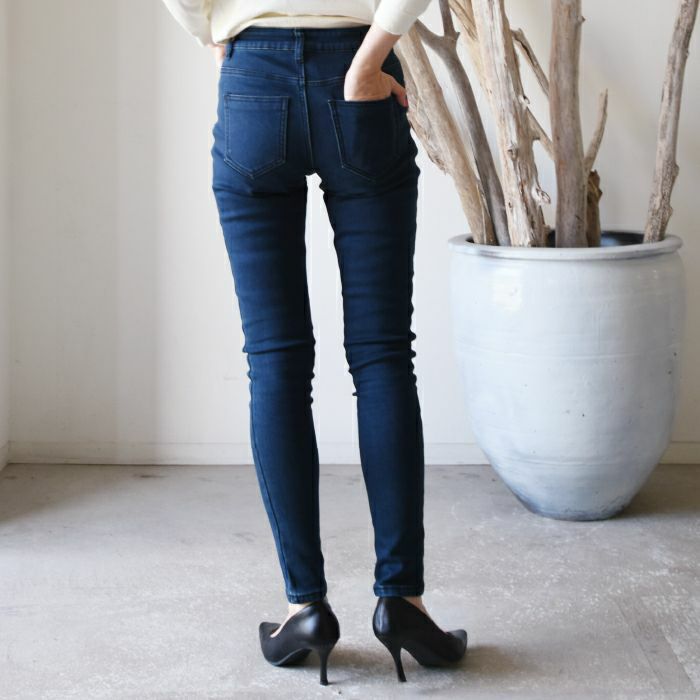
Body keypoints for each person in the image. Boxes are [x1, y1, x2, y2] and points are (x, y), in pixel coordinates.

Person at [161, 0, 467, 685]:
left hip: (252, 77)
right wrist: (369, 60)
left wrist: (212, 35)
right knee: (383, 354)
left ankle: (305, 608)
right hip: (357, 66)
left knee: (275, 362)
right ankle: (402, 601)